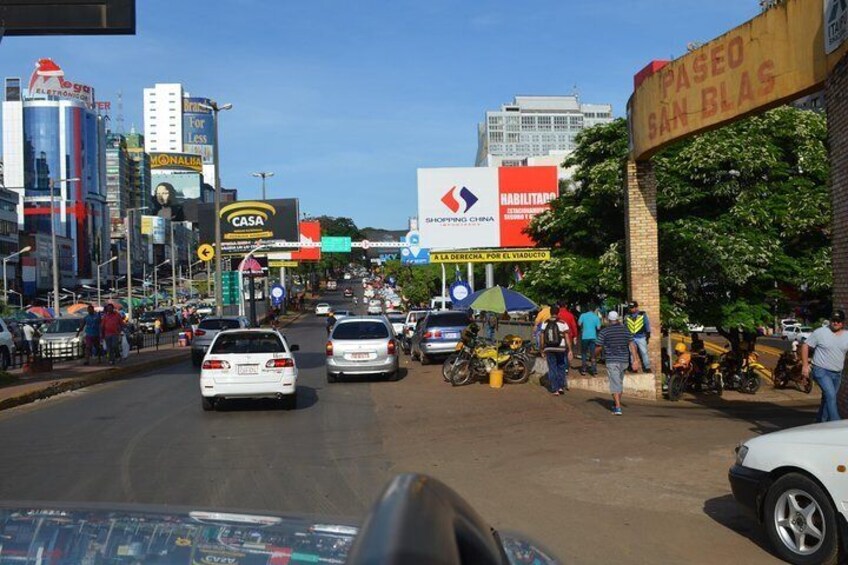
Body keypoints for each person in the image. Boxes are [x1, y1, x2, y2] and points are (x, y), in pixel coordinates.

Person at [801, 310, 848, 423]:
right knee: (831, 396)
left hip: (837, 373)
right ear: (830, 321)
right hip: (821, 370)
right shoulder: (820, 332)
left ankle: (820, 423)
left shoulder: (847, 335)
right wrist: (805, 366)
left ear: (843, 323)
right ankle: (836, 424)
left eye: (838, 321)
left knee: (827, 399)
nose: (835, 323)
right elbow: (805, 346)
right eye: (833, 320)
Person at [596, 311, 641, 415]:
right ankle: (617, 403)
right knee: (619, 383)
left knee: (615, 383)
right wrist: (635, 359)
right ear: (618, 319)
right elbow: (632, 345)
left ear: (608, 319)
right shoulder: (626, 330)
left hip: (612, 360)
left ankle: (617, 407)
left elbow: (599, 346)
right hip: (624, 361)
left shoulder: (605, 331)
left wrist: (594, 356)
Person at [542, 305, 571, 396]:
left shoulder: (545, 323)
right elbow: (567, 338)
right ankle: (561, 387)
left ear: (550, 313)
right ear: (558, 313)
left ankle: (555, 389)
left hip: (549, 348)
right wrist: (569, 349)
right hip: (561, 349)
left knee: (552, 368)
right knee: (561, 367)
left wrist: (542, 348)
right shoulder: (563, 323)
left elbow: (542, 336)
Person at [625, 301, 652, 372]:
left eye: (633, 307)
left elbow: (647, 324)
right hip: (631, 338)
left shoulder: (642, 314)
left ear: (636, 307)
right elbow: (625, 326)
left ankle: (647, 367)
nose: (631, 309)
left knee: (644, 352)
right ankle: (634, 368)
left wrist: (648, 334)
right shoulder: (627, 316)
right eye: (630, 308)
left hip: (641, 337)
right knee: (631, 353)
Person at [577, 305, 602, 375]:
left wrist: (583, 326)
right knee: (593, 353)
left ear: (587, 309)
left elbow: (579, 324)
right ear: (594, 310)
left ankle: (584, 369)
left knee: (584, 353)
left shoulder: (583, 315)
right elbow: (599, 328)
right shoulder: (596, 317)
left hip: (584, 337)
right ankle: (594, 370)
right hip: (593, 337)